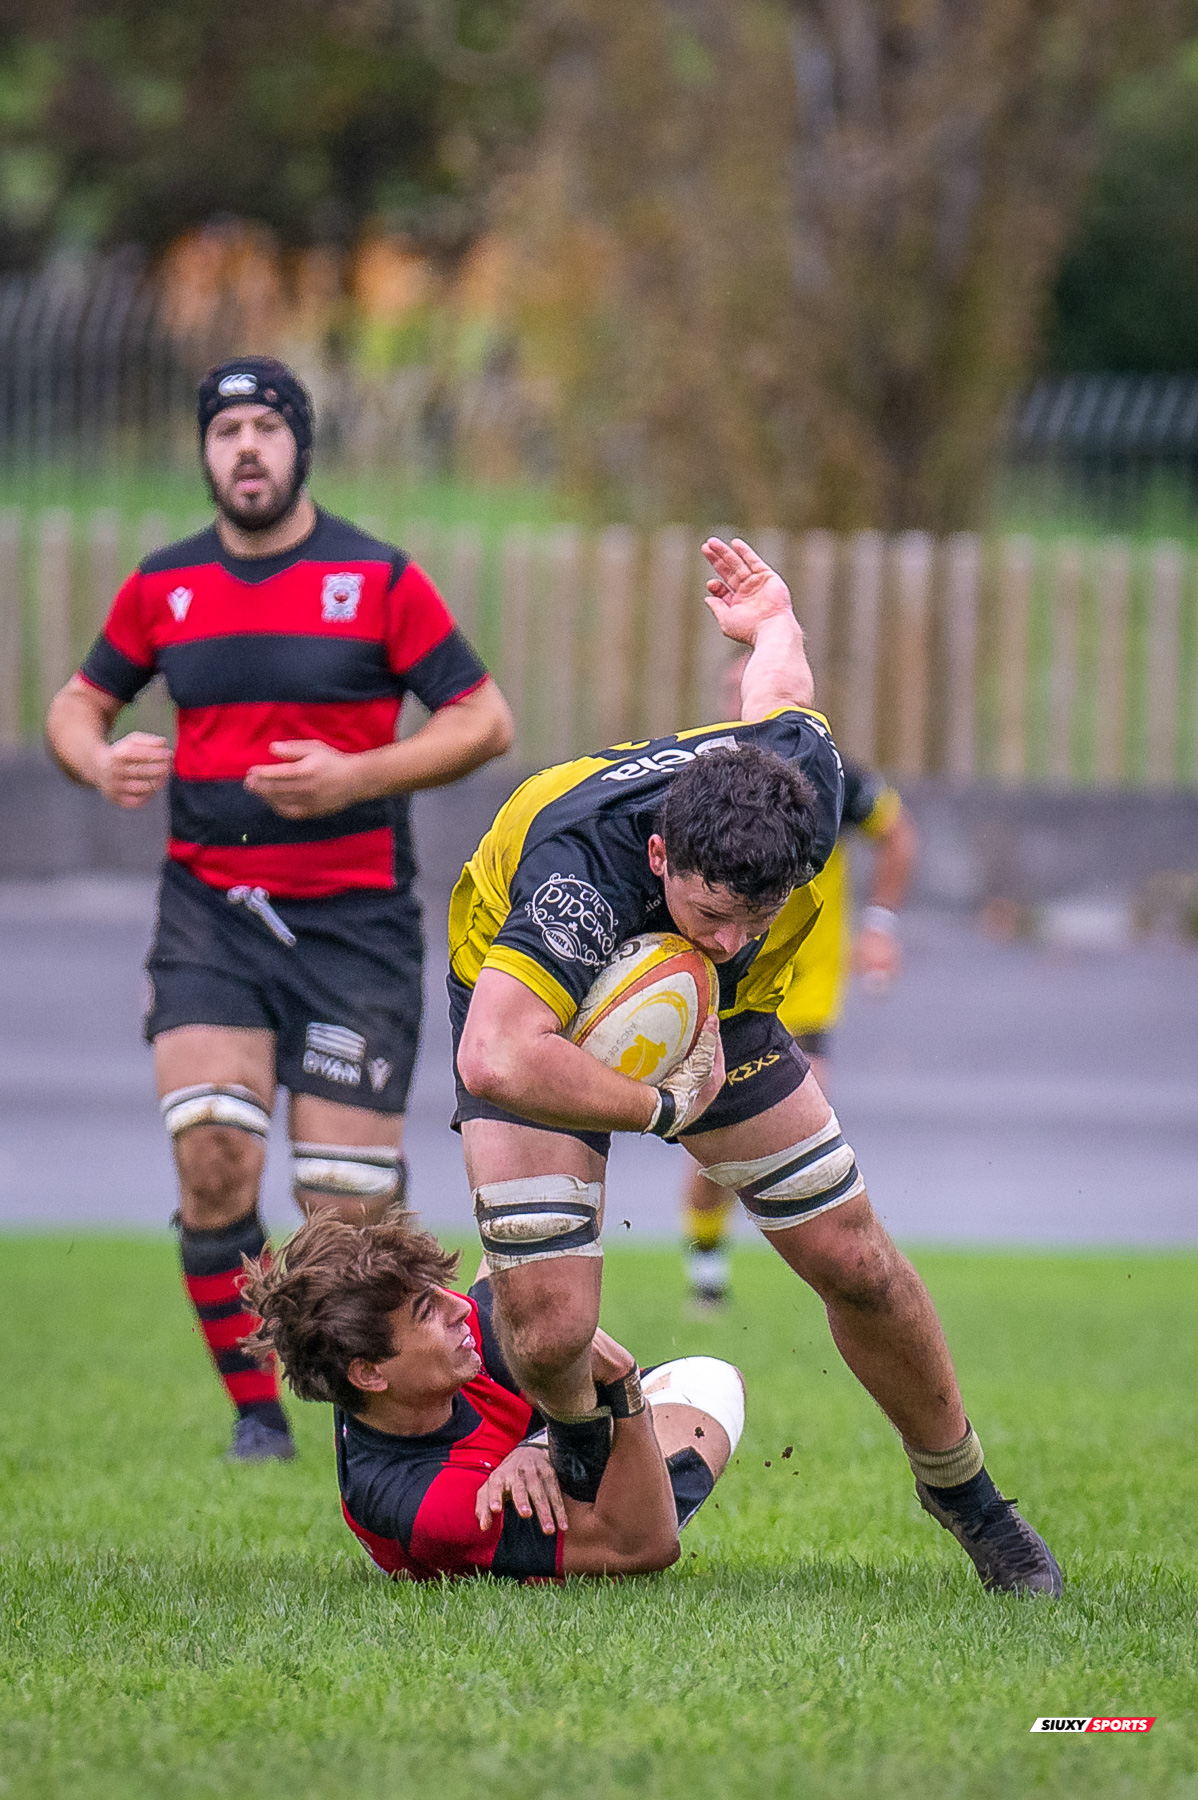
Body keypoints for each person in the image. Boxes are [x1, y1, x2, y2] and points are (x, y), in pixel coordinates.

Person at [446, 535, 1062, 1597]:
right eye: (710, 914)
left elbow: (783, 692)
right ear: (658, 862)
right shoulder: (581, 875)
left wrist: (775, 619)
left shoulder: (798, 787)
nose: (731, 937)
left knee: (857, 1260)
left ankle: (966, 1497)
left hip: (716, 1027)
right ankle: (587, 1453)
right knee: (548, 1332)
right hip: (531, 1003)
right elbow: (497, 1053)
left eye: (759, 913)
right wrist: (653, 1105)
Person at [45, 356, 513, 1463]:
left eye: (265, 426)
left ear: (300, 443)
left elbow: (483, 719)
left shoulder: (377, 578)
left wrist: (358, 775)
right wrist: (95, 757)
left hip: (354, 930)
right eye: (225, 430)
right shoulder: (165, 587)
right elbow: (76, 702)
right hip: (213, 914)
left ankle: (383, 1418)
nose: (244, 447)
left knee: (343, 1214)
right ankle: (257, 1415)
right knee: (212, 1156)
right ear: (205, 453)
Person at [243, 1210, 744, 1581]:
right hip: (464, 1510)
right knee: (702, 1389)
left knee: (706, 1375)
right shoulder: (432, 1506)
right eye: (426, 1311)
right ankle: (572, 1443)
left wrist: (537, 1446)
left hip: (510, 1440)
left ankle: (558, 1437)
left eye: (438, 1290)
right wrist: (622, 1380)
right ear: (370, 1373)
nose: (454, 1307)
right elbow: (645, 1549)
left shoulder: (412, 1368)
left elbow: (512, 1273)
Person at [683, 728, 918, 1308]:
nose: (743, 705)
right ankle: (706, 1260)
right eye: (732, 693)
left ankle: (833, 1273)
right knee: (724, 1140)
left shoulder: (834, 777)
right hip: (727, 986)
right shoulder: (706, 783)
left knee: (794, 1118)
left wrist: (880, 926)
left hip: (804, 990)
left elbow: (898, 836)